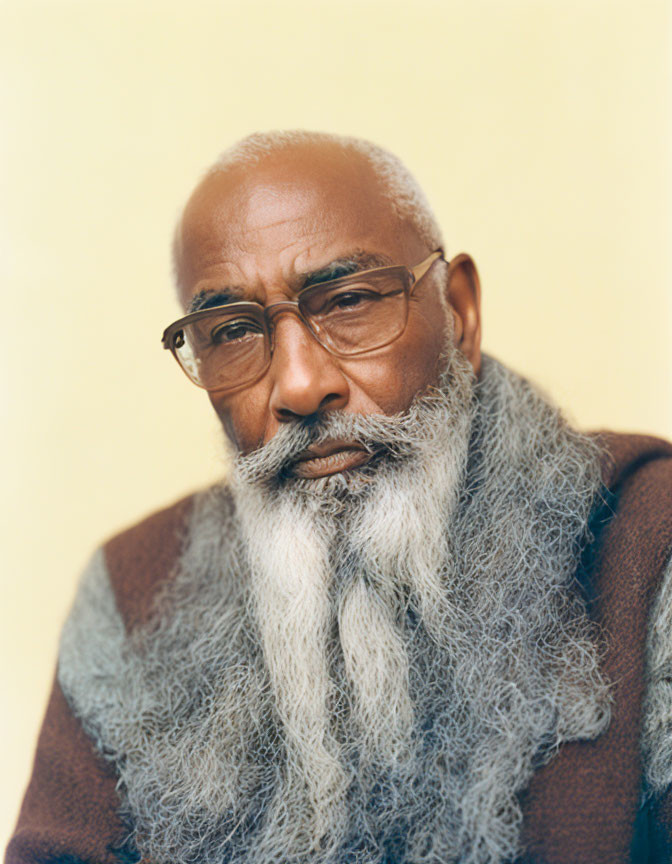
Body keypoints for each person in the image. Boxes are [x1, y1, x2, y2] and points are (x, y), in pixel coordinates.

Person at [7, 131, 672, 864]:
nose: (298, 384)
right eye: (231, 331)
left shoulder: (650, 538)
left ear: (459, 313)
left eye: (349, 302)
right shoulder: (128, 593)